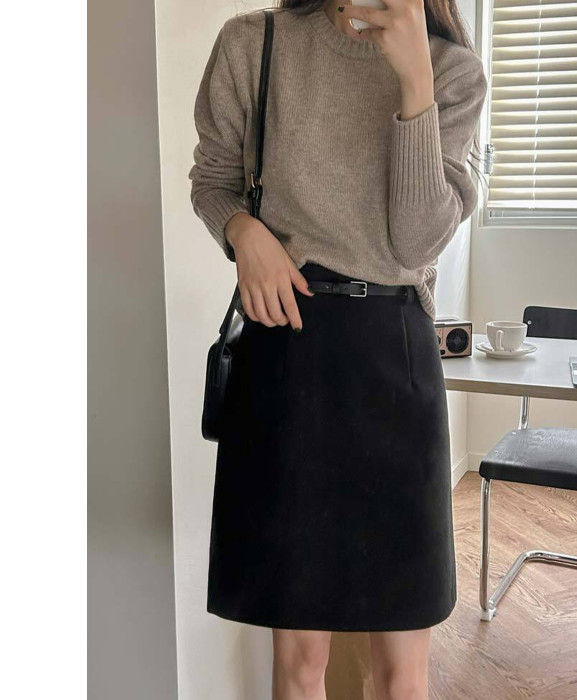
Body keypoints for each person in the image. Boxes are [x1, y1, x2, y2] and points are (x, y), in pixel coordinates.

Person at [189, 1, 486, 697]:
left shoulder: (454, 73)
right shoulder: (254, 43)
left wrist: (415, 82)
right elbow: (214, 179)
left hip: (395, 360)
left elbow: (415, 242)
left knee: (403, 672)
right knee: (300, 663)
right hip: (287, 352)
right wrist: (242, 231)